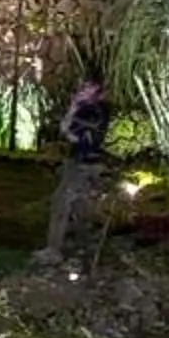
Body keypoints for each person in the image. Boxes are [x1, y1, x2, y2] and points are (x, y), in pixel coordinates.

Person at [45, 76, 112, 253]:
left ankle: (53, 249)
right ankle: (85, 245)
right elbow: (65, 127)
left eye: (86, 87)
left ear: (96, 89)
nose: (81, 89)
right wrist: (73, 108)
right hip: (79, 160)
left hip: (83, 162)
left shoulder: (95, 111)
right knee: (80, 205)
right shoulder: (86, 108)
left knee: (61, 202)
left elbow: (75, 136)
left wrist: (70, 124)